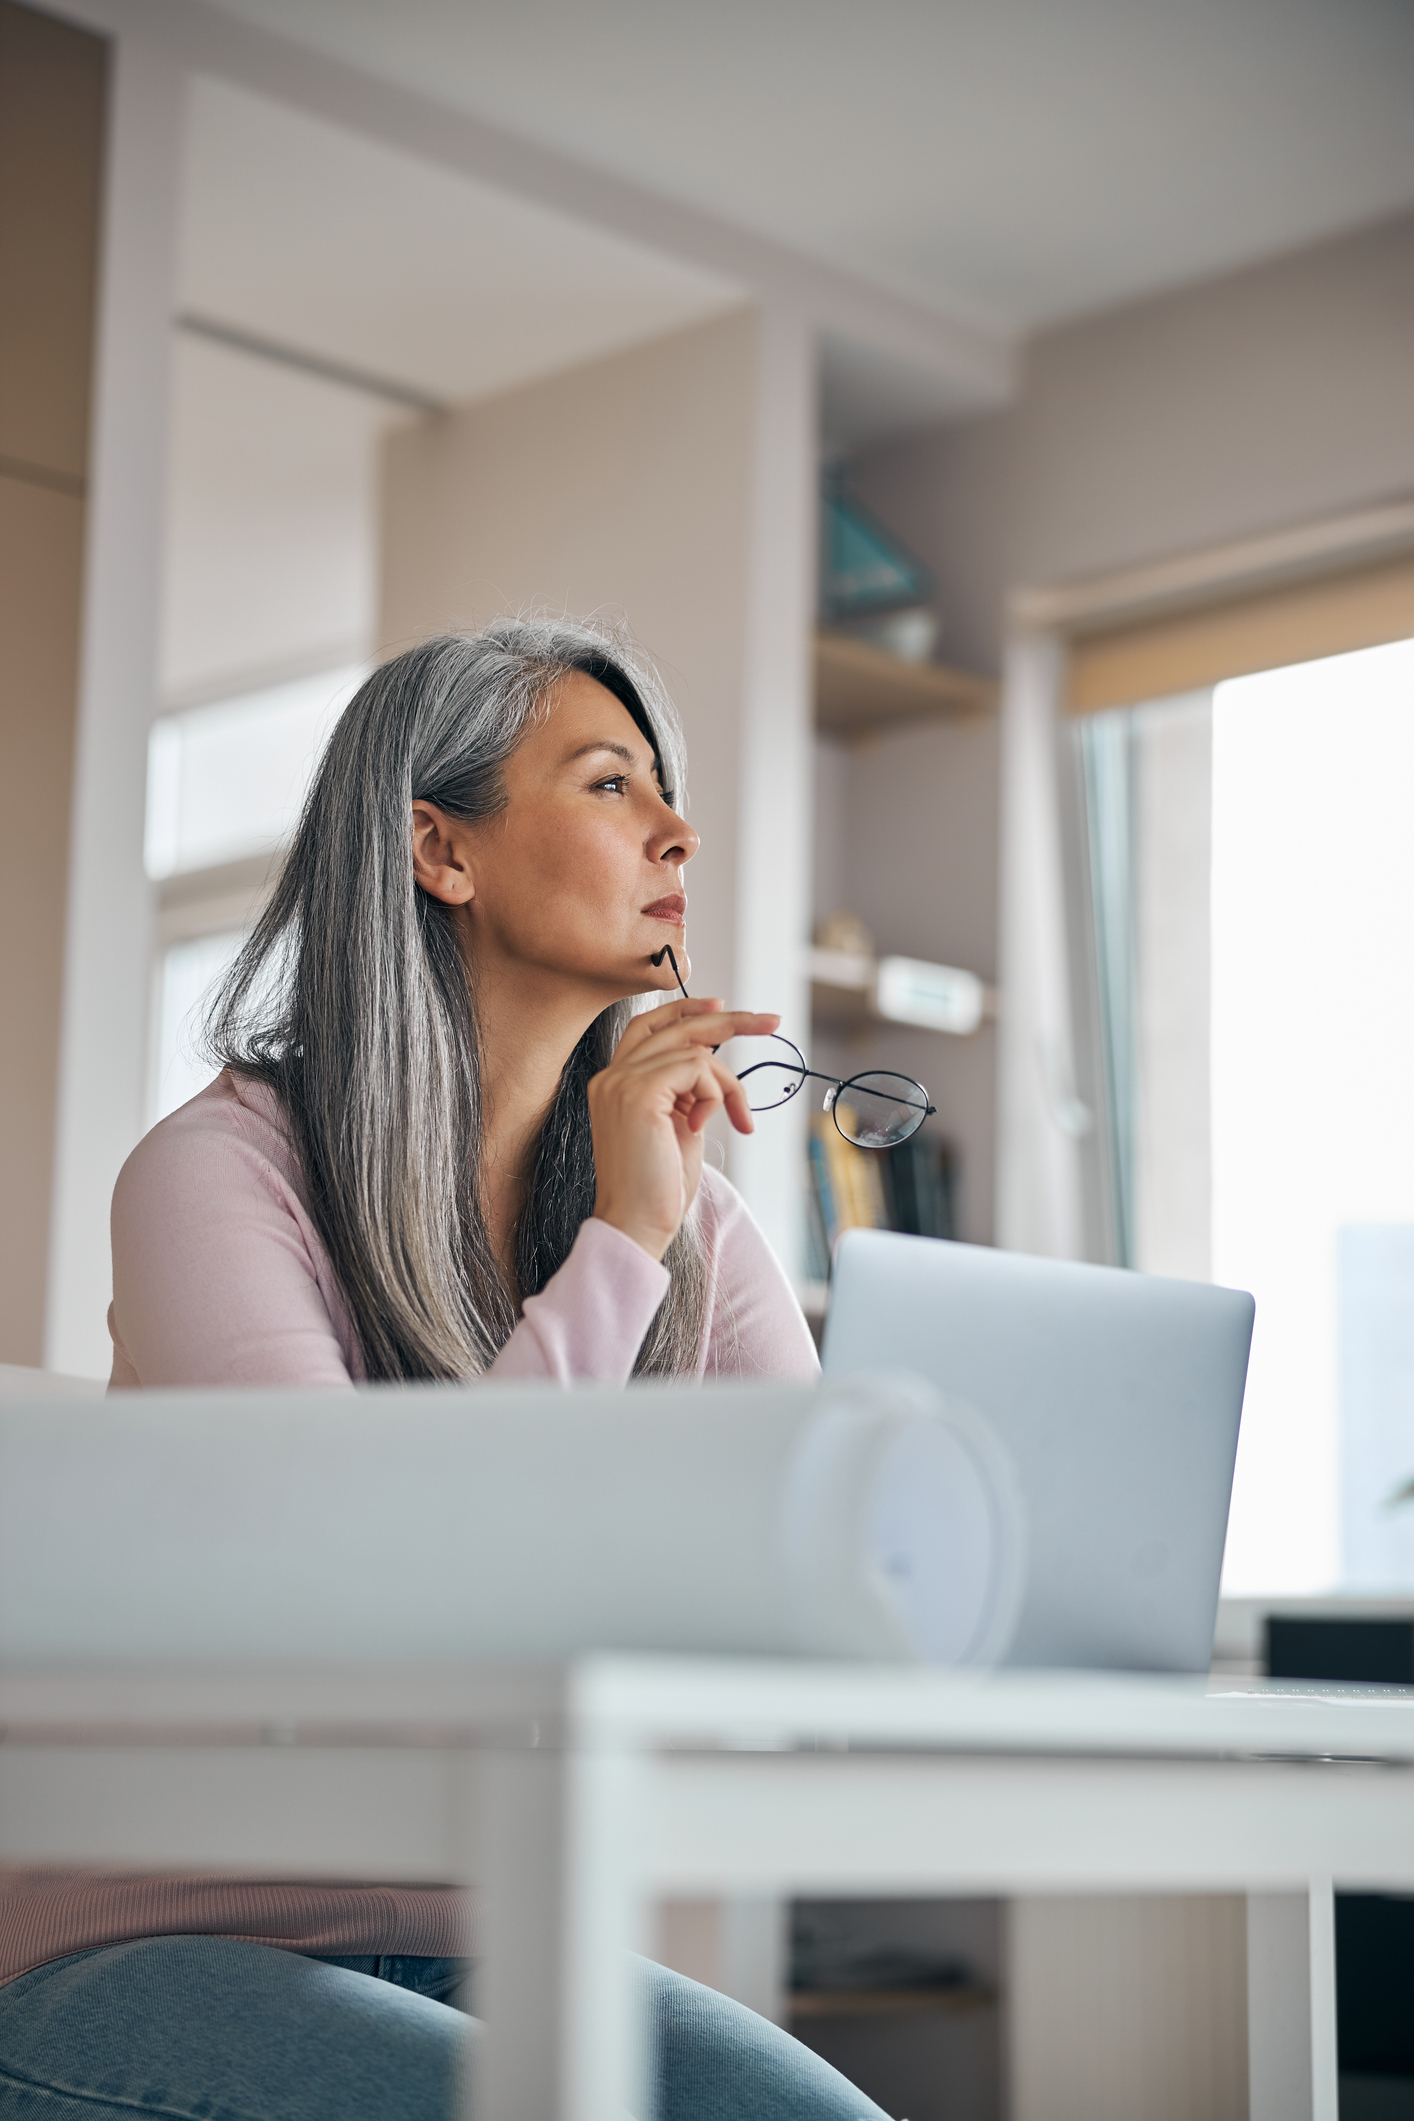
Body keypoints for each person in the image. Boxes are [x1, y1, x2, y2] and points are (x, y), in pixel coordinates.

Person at [0, 620, 886, 2121]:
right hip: (140, 1943)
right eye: (610, 784)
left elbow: (813, 1569)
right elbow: (361, 1577)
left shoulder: (688, 1209)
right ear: (439, 849)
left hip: (488, 1942)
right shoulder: (216, 1172)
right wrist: (625, 1237)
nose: (677, 828)